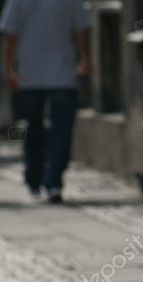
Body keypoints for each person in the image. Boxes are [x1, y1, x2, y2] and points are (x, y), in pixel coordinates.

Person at [0, 0, 91, 203]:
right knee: (61, 130)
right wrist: (85, 59)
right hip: (63, 74)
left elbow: (10, 34)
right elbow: (81, 30)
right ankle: (53, 180)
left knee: (34, 128)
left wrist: (9, 68)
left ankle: (35, 178)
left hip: (31, 75)